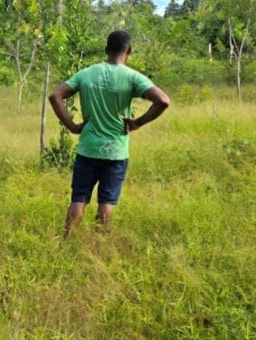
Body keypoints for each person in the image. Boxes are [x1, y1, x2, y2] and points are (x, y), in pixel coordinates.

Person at [50, 30, 170, 237]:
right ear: (129, 51)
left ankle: (66, 239)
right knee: (106, 203)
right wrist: (138, 123)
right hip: (116, 152)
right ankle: (99, 246)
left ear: (106, 50)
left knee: (78, 199)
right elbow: (163, 100)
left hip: (87, 149)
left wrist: (72, 126)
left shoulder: (86, 74)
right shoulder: (132, 77)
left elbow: (55, 96)